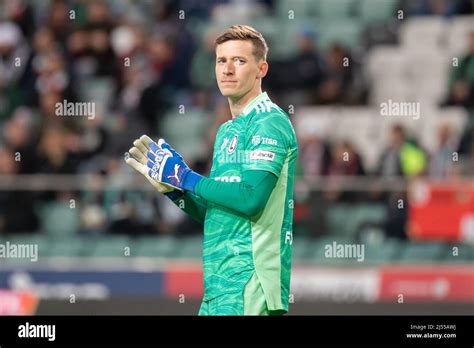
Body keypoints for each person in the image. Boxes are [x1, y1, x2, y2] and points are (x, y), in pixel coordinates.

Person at [126, 25, 298, 315]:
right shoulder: (226, 132)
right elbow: (215, 212)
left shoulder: (269, 121)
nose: (228, 70)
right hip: (219, 287)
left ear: (261, 69)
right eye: (222, 61)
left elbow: (250, 198)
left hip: (250, 283)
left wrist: (186, 177)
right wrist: (175, 191)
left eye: (239, 61)